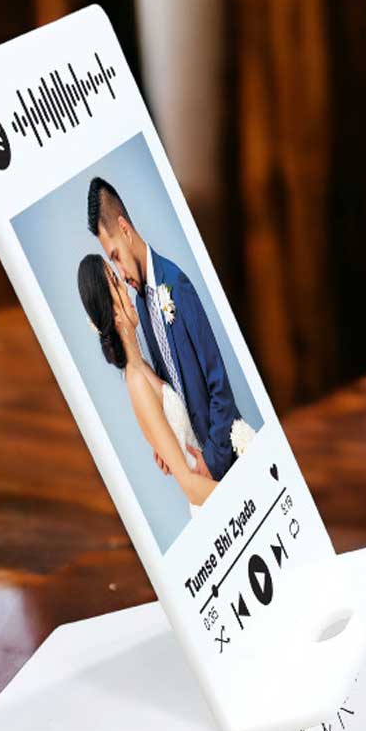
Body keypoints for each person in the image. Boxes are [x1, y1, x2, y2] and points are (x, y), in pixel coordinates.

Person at [86, 176, 243, 481]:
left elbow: (219, 384)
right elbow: (169, 384)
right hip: (196, 463)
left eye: (116, 257)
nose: (120, 273)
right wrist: (166, 436)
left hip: (226, 459)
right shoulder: (141, 305)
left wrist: (212, 461)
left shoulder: (176, 283)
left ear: (125, 229)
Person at [77, 254, 215, 509]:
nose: (124, 286)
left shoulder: (145, 367)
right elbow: (189, 487)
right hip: (209, 500)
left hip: (211, 479)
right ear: (113, 313)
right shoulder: (137, 381)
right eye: (115, 283)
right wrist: (243, 492)